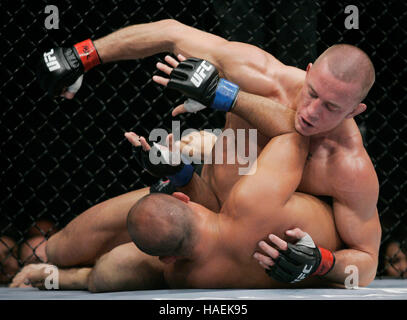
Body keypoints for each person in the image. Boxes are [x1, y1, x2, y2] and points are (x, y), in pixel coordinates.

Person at [36, 19, 380, 286]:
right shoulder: (263, 77)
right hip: (195, 204)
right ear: (307, 72)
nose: (312, 111)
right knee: (58, 248)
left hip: (238, 250)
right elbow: (170, 33)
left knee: (116, 268)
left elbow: (366, 263)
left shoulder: (348, 167)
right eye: (312, 92)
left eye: (332, 107)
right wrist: (82, 56)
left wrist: (322, 262)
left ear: (355, 111)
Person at [11, 129, 342, 291]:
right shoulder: (253, 198)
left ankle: (54, 271)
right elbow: (295, 134)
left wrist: (183, 173)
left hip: (233, 203)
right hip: (312, 233)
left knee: (111, 261)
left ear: (166, 259)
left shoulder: (183, 274)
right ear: (185, 201)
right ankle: (57, 271)